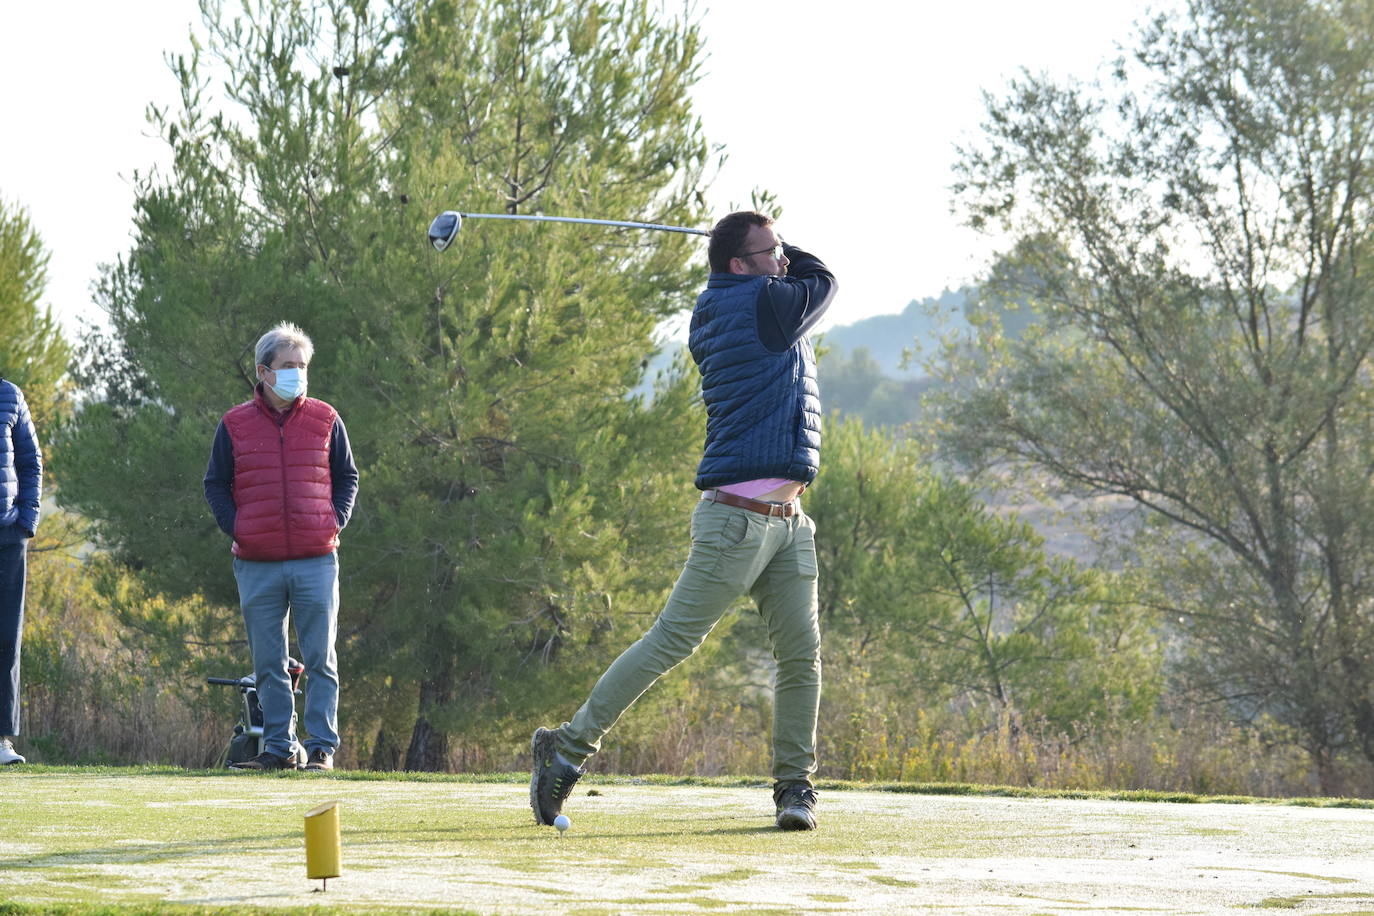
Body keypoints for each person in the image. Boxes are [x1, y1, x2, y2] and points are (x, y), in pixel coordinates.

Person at [531, 211, 836, 830]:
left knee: (802, 657)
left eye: (780, 250)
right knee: (670, 642)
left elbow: (799, 283)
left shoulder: (750, 299)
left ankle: (794, 789)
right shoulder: (757, 306)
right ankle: (565, 749)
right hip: (737, 521)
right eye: (770, 250)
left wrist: (768, 246)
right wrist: (792, 250)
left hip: (787, 521)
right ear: (738, 266)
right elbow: (823, 280)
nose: (782, 258)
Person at [204, 322, 358, 771]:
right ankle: (278, 749)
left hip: (316, 557)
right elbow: (215, 484)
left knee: (319, 658)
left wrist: (334, 520)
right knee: (269, 661)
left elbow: (348, 477)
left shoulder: (326, 418)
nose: (297, 374)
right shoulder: (234, 423)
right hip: (257, 561)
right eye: (288, 366)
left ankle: (322, 748)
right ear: (263, 371)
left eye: (302, 366)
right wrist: (240, 528)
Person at [0, 378, 42, 766]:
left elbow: (30, 462)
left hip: (7, 535)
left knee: (6, 642)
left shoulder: (10, 394)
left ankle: (0, 740)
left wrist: (26, 521)